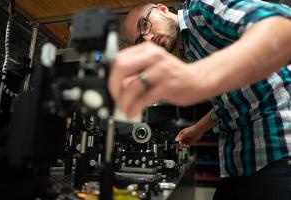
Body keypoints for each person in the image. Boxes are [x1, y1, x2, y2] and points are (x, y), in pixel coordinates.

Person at [108, 1, 291, 199]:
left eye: (145, 24)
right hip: (239, 160)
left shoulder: (202, 9)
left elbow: (283, 25)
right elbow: (234, 100)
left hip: (276, 145)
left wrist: (195, 77)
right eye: (140, 42)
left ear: (162, 9)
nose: (149, 39)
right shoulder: (190, 50)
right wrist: (198, 129)